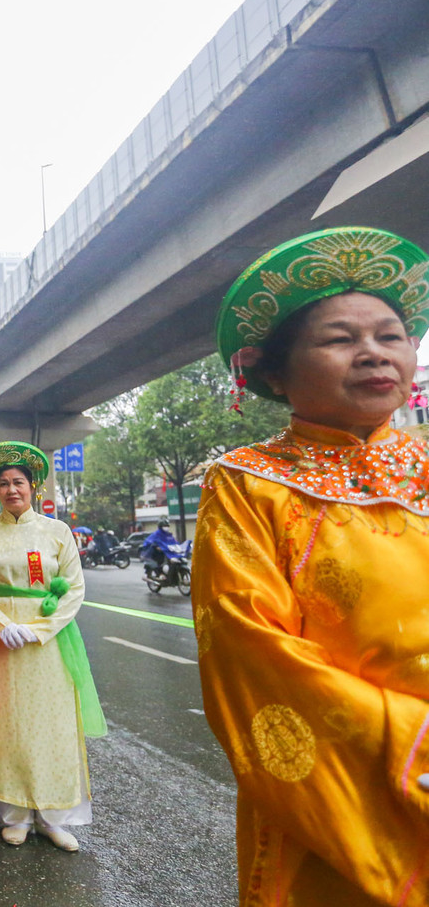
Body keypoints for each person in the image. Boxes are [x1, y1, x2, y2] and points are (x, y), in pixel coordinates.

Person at [193, 226, 429, 906]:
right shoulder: (249, 484)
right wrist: (410, 743)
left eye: (390, 335)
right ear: (273, 370)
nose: (374, 354)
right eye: (340, 339)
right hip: (340, 797)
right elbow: (249, 651)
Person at [0, 441, 105, 852]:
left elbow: (75, 589)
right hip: (1, 646)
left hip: (49, 647)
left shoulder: (57, 532)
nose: (12, 490)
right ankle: (14, 815)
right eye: (4, 484)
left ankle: (53, 816)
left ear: (34, 488)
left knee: (53, 726)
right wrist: (0, 625)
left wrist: (40, 629)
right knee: (5, 725)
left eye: (19, 483)